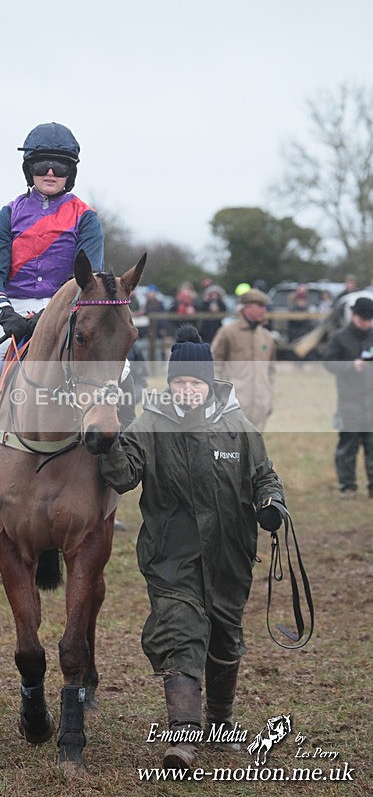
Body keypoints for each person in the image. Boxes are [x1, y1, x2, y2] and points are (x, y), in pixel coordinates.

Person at [98, 325, 286, 768]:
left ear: (209, 382)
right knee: (179, 633)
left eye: (194, 382)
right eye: (179, 382)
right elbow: (124, 476)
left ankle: (220, 723)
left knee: (224, 640)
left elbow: (264, 476)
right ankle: (182, 737)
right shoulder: (149, 424)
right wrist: (106, 445)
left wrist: (271, 502)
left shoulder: (237, 425)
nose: (186, 390)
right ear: (170, 383)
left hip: (230, 555)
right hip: (171, 556)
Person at [0, 121, 104, 481]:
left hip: (66, 306)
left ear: (71, 172)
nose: (50, 172)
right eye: (41, 165)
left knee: (121, 370)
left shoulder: (87, 217)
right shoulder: (7, 215)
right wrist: (5, 313)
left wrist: (53, 313)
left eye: (60, 166)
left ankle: (118, 452)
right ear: (29, 169)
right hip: (14, 308)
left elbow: (89, 275)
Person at [323, 296, 373, 499]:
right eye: (363, 319)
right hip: (349, 401)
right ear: (354, 316)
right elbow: (328, 363)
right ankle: (348, 487)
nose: (367, 323)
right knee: (347, 446)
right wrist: (351, 366)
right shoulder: (339, 338)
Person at [211, 289, 277, 430]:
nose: (264, 310)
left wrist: (268, 398)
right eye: (259, 305)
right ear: (246, 307)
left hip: (260, 405)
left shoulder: (267, 337)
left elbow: (271, 371)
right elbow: (214, 364)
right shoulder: (228, 333)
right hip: (234, 404)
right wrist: (218, 396)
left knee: (255, 449)